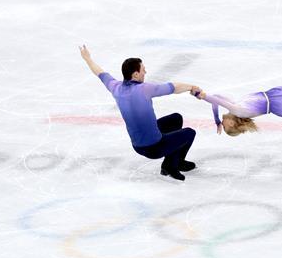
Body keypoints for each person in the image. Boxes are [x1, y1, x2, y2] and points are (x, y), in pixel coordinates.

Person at [79, 45, 200, 181]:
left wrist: (87, 58)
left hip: (137, 145)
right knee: (190, 133)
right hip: (154, 147)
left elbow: (100, 73)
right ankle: (172, 165)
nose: (145, 72)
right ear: (135, 74)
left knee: (176, 119)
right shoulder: (144, 89)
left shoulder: (115, 87)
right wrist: (192, 87)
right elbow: (174, 87)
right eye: (143, 70)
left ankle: (172, 162)